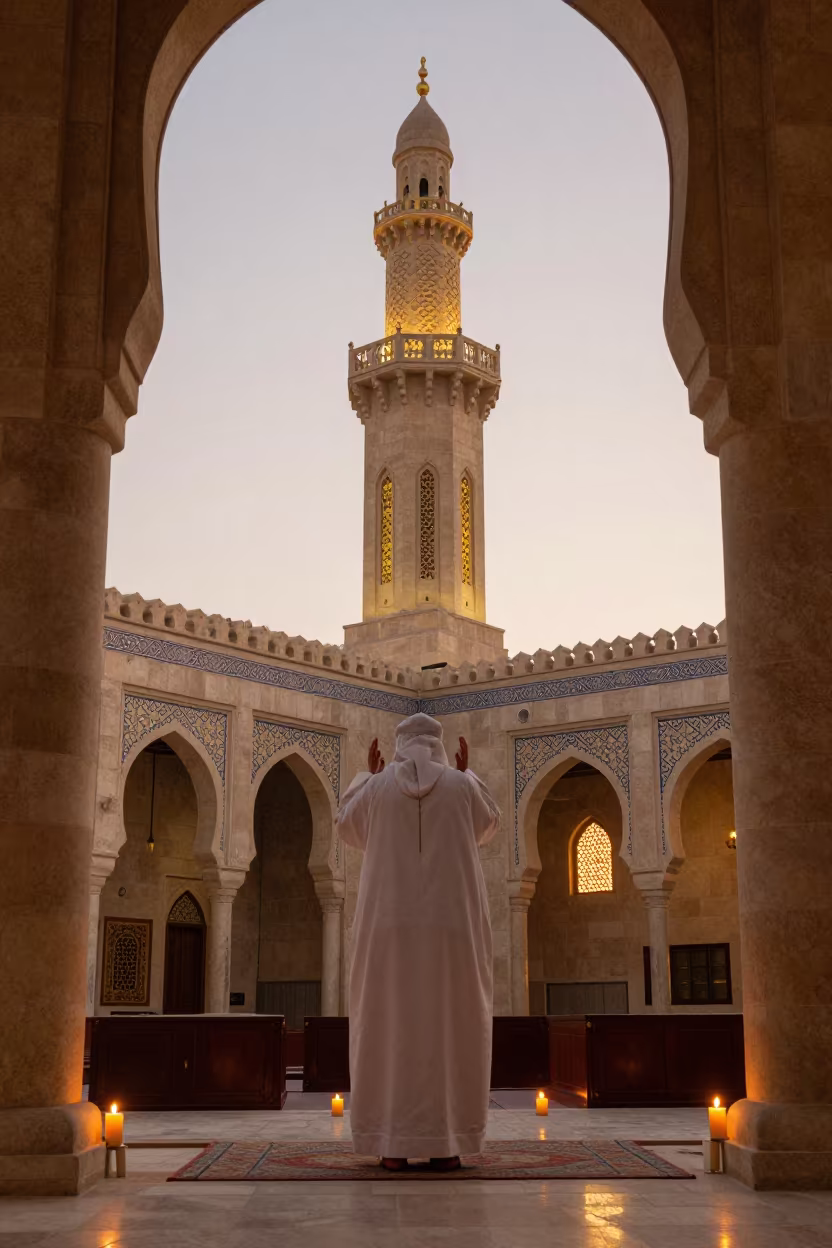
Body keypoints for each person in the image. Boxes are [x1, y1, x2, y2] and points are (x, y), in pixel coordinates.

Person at [336, 712, 500, 1171]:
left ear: (399, 744)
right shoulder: (463, 786)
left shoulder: (374, 788)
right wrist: (469, 774)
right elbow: (489, 825)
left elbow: (346, 826)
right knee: (452, 1027)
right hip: (452, 933)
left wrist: (365, 777)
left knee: (391, 1029)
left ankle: (392, 1144)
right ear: (440, 746)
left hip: (388, 932)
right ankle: (448, 1144)